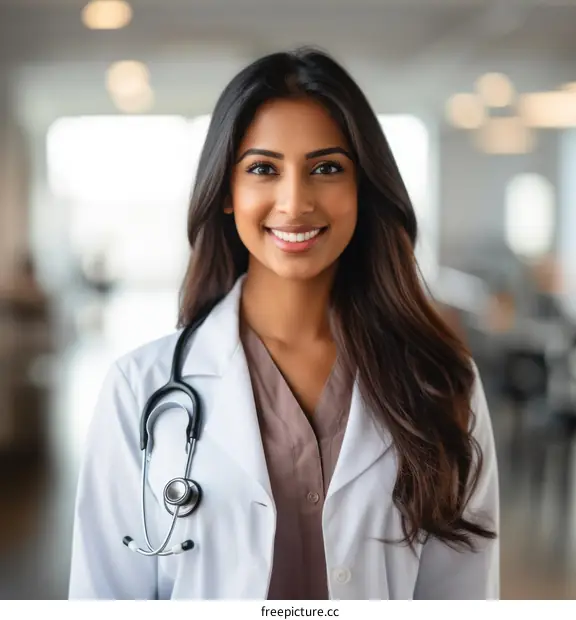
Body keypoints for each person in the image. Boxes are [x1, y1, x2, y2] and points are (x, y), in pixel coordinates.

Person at [68, 46, 499, 600]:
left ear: (362, 188)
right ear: (226, 192)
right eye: (263, 169)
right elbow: (104, 597)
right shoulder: (140, 388)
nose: (294, 203)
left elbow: (464, 597)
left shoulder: (441, 382)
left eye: (326, 168)